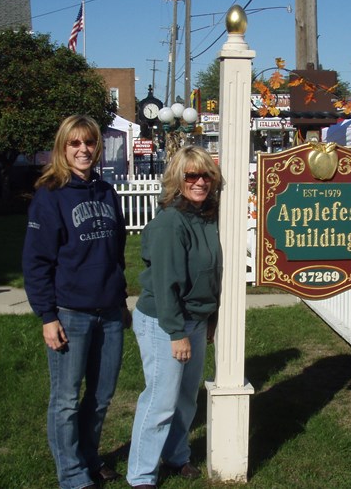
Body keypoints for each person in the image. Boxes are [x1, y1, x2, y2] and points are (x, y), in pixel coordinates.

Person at [22, 115, 128, 489]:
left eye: (89, 143)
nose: (83, 150)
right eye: (75, 144)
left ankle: (88, 457)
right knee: (66, 400)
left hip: (110, 311)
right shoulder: (49, 196)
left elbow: (117, 251)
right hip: (71, 314)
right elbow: (36, 262)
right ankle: (71, 474)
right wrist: (47, 316)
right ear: (63, 148)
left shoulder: (106, 192)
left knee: (100, 397)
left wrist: (121, 298)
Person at [126, 145, 223, 489]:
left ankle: (176, 454)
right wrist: (176, 332)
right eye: (191, 175)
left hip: (195, 320)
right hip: (165, 321)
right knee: (161, 400)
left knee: (185, 398)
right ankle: (140, 475)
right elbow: (167, 283)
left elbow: (212, 273)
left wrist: (209, 318)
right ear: (177, 179)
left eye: (205, 175)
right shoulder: (171, 221)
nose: (199, 182)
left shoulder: (206, 216)